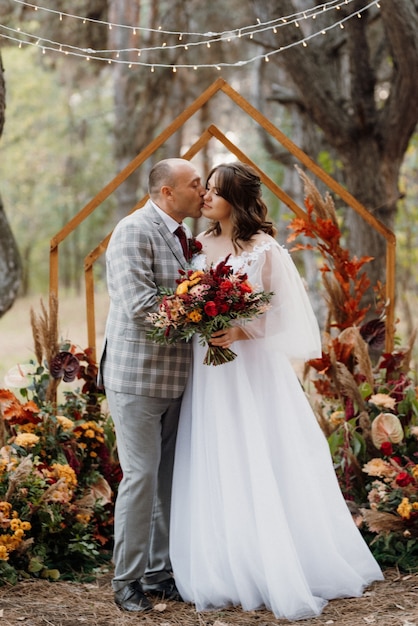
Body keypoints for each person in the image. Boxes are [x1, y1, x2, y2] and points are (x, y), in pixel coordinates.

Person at [169, 161, 383, 621]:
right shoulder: (197, 245)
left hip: (253, 370)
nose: (205, 196)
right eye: (204, 188)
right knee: (218, 453)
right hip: (209, 372)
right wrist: (200, 319)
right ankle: (226, 565)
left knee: (262, 452)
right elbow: (187, 297)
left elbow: (281, 316)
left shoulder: (264, 250)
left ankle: (284, 560)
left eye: (215, 191)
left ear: (237, 199)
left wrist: (239, 332)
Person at [99, 158, 205, 612]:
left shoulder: (184, 236)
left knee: (166, 478)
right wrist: (205, 311)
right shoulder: (132, 231)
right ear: (167, 192)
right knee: (141, 476)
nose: (202, 191)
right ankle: (126, 581)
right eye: (194, 184)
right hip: (137, 376)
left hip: (177, 378)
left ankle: (160, 573)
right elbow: (142, 305)